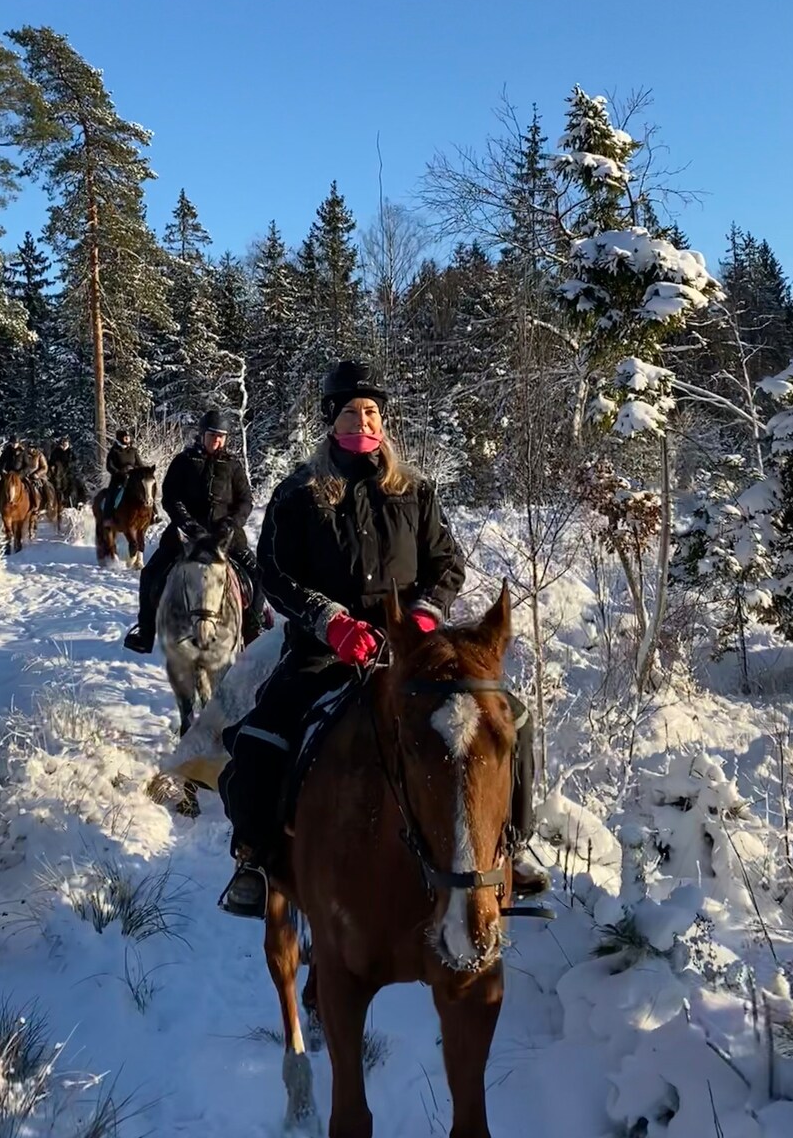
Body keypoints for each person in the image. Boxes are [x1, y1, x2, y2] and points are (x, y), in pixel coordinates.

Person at [217, 359, 549, 919]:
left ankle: (511, 847)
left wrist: (423, 616)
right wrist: (329, 620)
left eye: (371, 411)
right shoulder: (299, 493)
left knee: (510, 717)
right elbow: (274, 571)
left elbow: (447, 563)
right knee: (260, 739)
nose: (363, 421)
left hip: (413, 652)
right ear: (330, 421)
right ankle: (254, 858)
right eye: (351, 411)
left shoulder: (415, 489)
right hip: (325, 651)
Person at [124, 408, 267, 653]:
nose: (217, 440)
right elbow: (171, 498)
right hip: (186, 535)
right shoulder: (183, 461)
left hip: (226, 536)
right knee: (150, 573)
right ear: (202, 435)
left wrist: (231, 524)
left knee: (258, 573)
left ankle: (253, 625)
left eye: (221, 436)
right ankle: (146, 632)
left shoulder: (232, 464)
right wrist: (189, 524)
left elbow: (245, 501)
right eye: (213, 435)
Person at [104, 428, 142, 514]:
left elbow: (140, 464)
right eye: (126, 437)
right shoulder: (114, 451)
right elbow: (109, 466)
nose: (128, 439)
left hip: (132, 478)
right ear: (120, 438)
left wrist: (146, 471)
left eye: (129, 437)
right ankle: (108, 516)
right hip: (119, 479)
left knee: (145, 491)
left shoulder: (133, 451)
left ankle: (154, 514)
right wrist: (118, 473)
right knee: (112, 495)